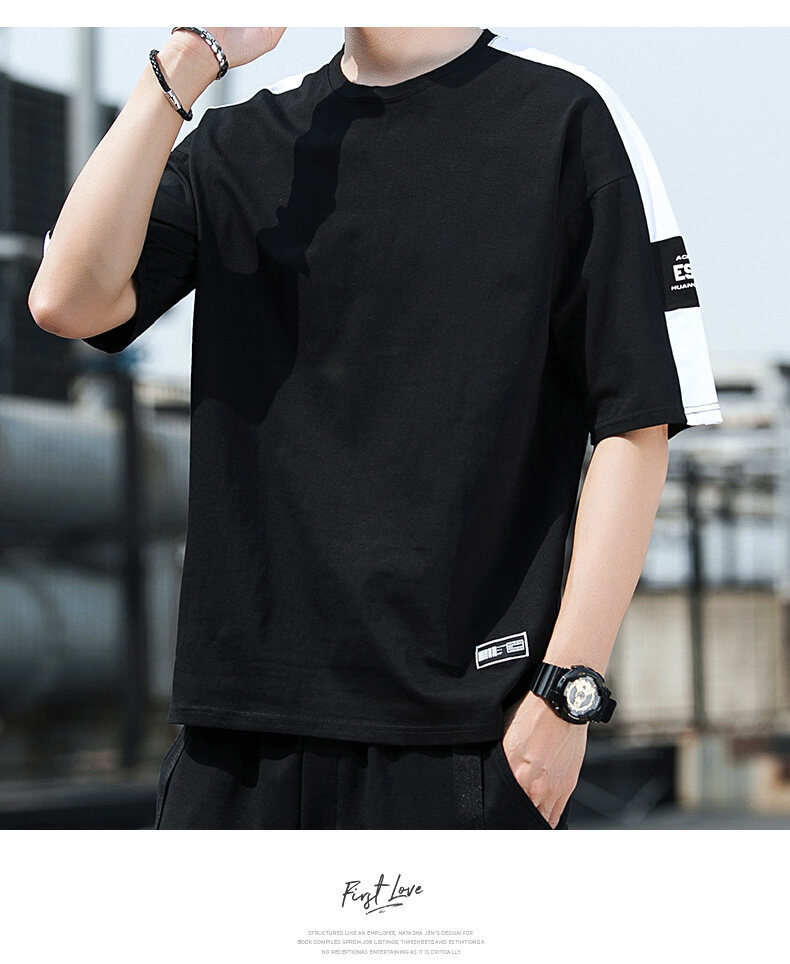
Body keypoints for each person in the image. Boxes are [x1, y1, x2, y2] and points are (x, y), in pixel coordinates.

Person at [28, 26, 723, 830]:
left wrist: (566, 692)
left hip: (467, 732)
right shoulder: (243, 139)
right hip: (236, 735)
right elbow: (67, 301)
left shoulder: (565, 118)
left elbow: (636, 422)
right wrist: (188, 61)